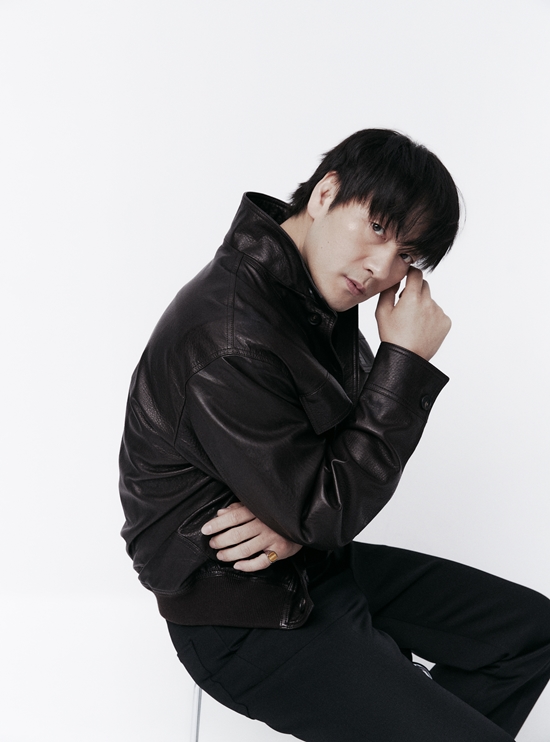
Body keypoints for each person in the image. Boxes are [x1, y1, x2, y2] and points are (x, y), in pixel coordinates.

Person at [119, 129, 550, 741]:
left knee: (529, 633)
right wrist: (404, 363)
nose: (382, 268)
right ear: (325, 193)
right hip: (244, 614)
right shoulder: (231, 335)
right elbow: (326, 509)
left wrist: (295, 518)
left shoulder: (308, 294)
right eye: (377, 227)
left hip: (313, 565)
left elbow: (326, 484)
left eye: (407, 255)